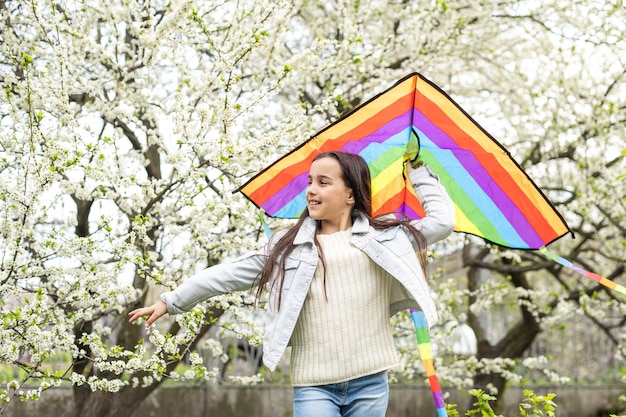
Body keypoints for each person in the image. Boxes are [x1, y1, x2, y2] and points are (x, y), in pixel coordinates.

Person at [129, 151, 456, 417]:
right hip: (315, 384)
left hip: (370, 380)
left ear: (350, 194)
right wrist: (171, 300)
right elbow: (227, 274)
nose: (311, 190)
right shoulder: (288, 247)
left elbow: (443, 221)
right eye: (310, 181)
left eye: (323, 182)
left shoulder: (384, 238)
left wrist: (419, 170)